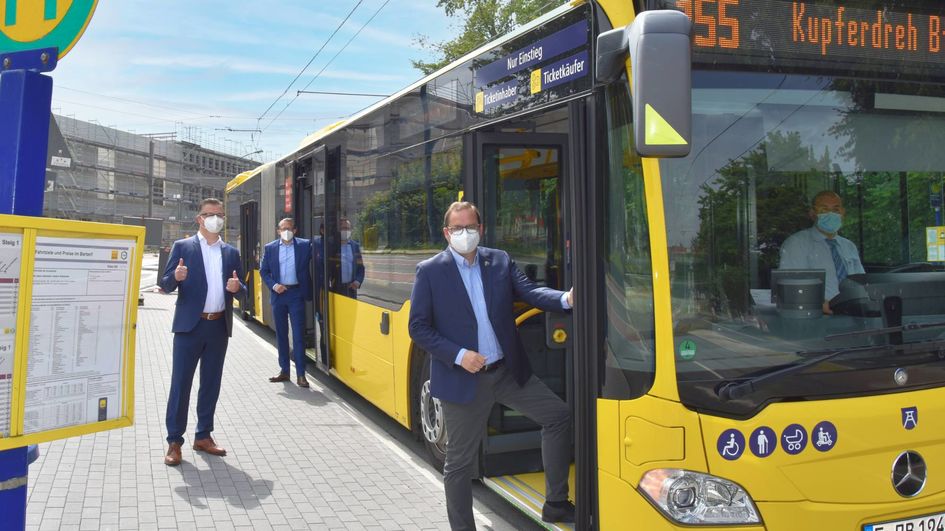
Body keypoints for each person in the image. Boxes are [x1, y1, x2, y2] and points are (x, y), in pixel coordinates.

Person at [408, 201, 575, 529]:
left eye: (470, 227)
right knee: (458, 465)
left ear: (480, 229)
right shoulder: (430, 271)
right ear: (447, 232)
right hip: (463, 378)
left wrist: (566, 299)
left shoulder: (498, 260)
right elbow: (418, 328)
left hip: (507, 372)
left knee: (558, 417)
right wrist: (459, 355)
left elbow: (530, 292)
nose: (464, 233)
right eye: (457, 229)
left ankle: (555, 503)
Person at [159, 198, 245, 466]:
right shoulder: (182, 246)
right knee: (181, 384)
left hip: (218, 327)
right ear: (199, 218)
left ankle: (203, 436)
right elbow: (165, 283)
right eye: (210, 214)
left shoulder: (231, 252)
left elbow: (242, 290)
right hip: (189, 328)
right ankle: (174, 441)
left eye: (219, 215)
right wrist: (177, 277)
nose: (215, 219)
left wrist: (237, 288)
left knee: (211, 384)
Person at [779, 190, 865, 314]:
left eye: (836, 209)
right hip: (816, 316)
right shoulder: (796, 243)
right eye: (824, 209)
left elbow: (862, 282)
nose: (831, 214)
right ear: (813, 214)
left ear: (843, 212)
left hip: (853, 314)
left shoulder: (849, 246)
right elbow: (789, 285)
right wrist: (818, 302)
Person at [260, 218, 314, 387]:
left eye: (289, 228)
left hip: (296, 293)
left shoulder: (305, 246)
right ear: (278, 231)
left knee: (298, 336)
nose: (286, 231)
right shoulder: (270, 248)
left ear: (295, 230)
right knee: (281, 335)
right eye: (283, 228)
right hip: (278, 296)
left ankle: (301, 375)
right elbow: (264, 271)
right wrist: (274, 286)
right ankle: (284, 371)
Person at [338, 218, 364, 298]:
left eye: (348, 229)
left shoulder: (355, 246)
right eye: (343, 228)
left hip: (351, 289)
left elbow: (360, 267)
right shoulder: (332, 245)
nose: (346, 231)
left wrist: (358, 281)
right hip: (337, 289)